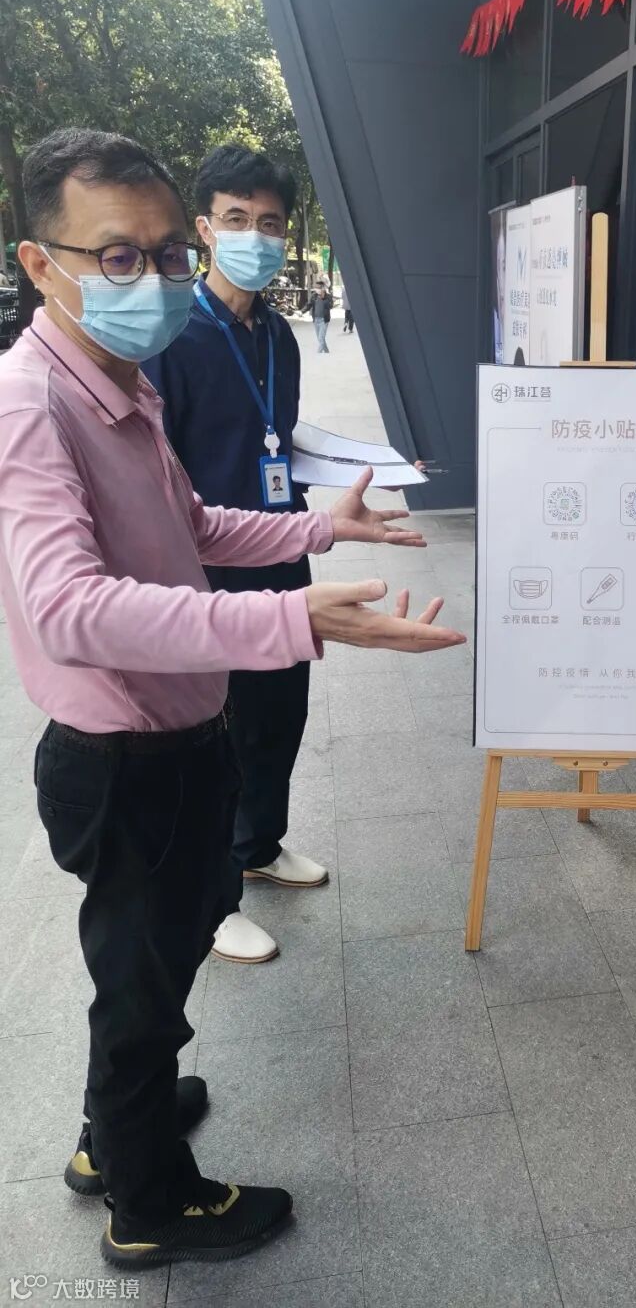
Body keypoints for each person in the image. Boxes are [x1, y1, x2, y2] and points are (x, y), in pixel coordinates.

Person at [0, 128, 465, 1268]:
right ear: (40, 263)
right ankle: (150, 1203)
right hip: (124, 755)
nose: (157, 280)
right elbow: (65, 607)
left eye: (167, 253)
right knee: (141, 979)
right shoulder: (31, 405)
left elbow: (193, 525)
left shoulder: (118, 380)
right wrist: (293, 620)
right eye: (120, 256)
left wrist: (317, 530)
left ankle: (116, 1131)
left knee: (160, 959)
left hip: (178, 733)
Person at [145, 145, 385, 967]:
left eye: (271, 222)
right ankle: (212, 900)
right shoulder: (172, 336)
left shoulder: (279, 335)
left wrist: (365, 470)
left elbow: (276, 440)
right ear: (205, 228)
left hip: (283, 556)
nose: (256, 235)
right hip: (208, 574)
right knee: (217, 736)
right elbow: (160, 472)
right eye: (237, 219)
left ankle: (258, 844)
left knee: (280, 718)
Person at [309, 277, 332, 353]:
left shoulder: (328, 296)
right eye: (316, 287)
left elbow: (330, 306)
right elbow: (309, 304)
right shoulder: (314, 296)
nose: (317, 289)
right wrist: (301, 312)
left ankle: (318, 354)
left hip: (324, 320)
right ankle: (327, 352)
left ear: (323, 288)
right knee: (320, 339)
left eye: (319, 288)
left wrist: (323, 298)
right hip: (316, 320)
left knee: (321, 338)